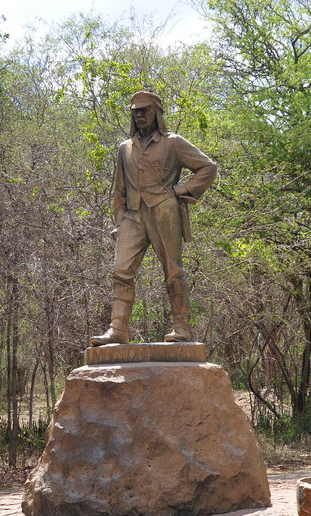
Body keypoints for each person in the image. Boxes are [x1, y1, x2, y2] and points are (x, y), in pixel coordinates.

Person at [90, 90, 217, 346]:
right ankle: (118, 330)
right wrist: (118, 222)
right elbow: (119, 190)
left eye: (144, 110)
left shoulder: (174, 142)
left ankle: (181, 328)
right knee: (120, 271)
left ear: (156, 112)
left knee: (173, 271)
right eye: (135, 111)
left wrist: (182, 191)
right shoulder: (124, 148)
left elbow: (208, 167)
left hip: (164, 211)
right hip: (133, 217)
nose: (139, 115)